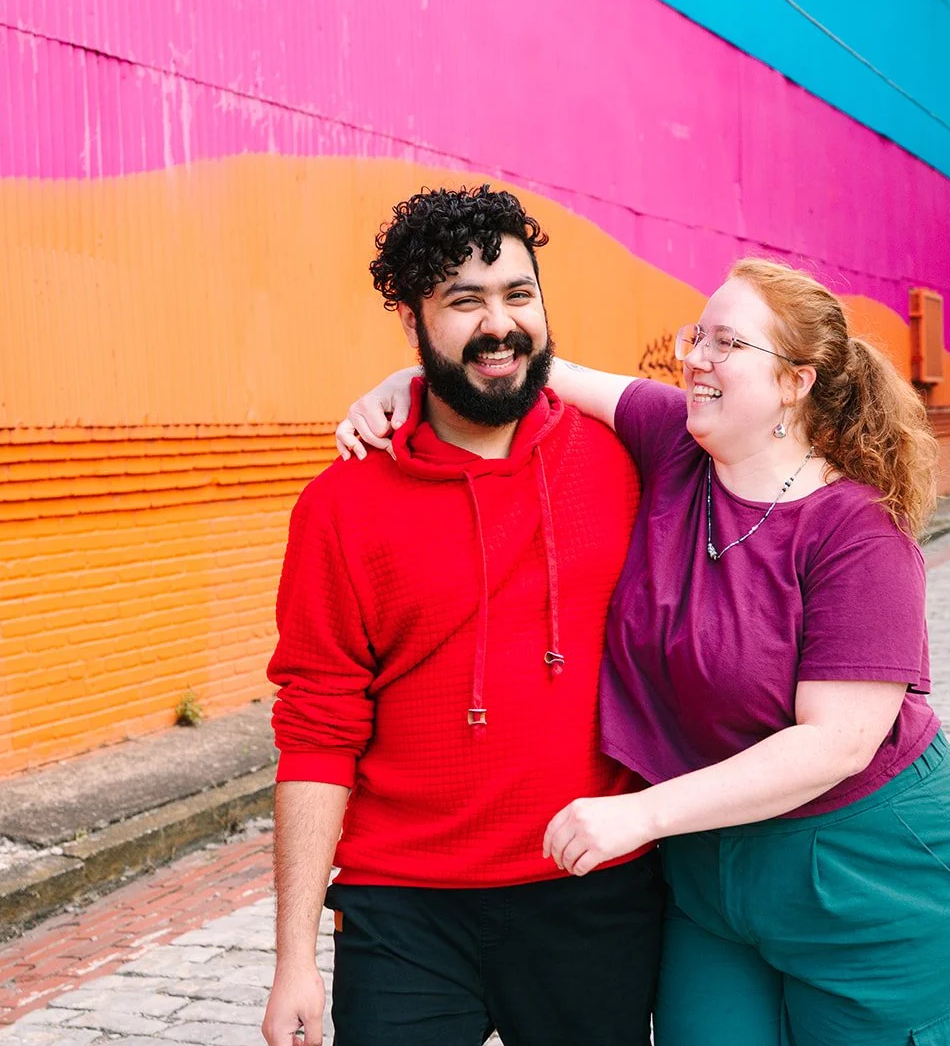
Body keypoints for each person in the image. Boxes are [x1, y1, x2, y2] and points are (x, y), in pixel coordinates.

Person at [341, 258, 950, 1045]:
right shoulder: (673, 442)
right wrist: (409, 382)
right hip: (711, 867)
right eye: (697, 335)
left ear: (795, 381)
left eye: (726, 343)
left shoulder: (859, 532)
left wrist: (640, 813)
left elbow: (837, 742)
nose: (694, 357)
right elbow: (531, 370)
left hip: (869, 867)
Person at [263, 185, 662, 1046]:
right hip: (404, 911)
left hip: (593, 891)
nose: (500, 324)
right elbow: (316, 725)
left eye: (518, 295)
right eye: (464, 302)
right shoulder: (340, 506)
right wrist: (294, 954)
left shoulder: (625, 459)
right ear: (412, 321)